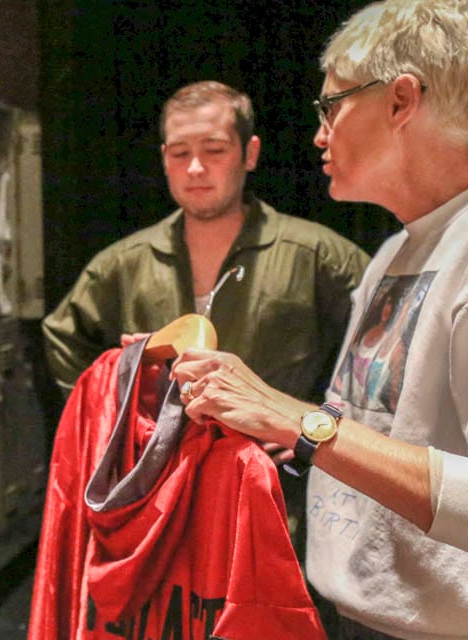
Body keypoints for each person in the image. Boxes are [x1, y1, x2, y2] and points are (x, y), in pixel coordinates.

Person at [170, 1, 468, 638]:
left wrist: (296, 419)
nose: (319, 133)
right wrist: (284, 426)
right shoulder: (393, 252)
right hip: (358, 615)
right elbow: (380, 423)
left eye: (331, 105)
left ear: (400, 102)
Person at [42, 79, 370, 554]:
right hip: (158, 502)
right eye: (179, 153)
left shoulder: (316, 255)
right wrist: (122, 410)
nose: (195, 168)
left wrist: (320, 422)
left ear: (249, 153)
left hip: (277, 499)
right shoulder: (124, 263)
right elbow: (64, 341)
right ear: (163, 158)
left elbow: (387, 354)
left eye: (214, 149)